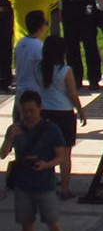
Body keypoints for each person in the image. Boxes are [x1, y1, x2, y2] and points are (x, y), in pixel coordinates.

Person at [3, 92, 73, 231]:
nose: (28, 114)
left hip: (45, 184)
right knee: (27, 224)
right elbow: (3, 154)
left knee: (53, 224)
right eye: (24, 111)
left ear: (40, 108)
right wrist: (10, 138)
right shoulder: (16, 128)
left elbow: (61, 156)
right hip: (22, 184)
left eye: (31, 110)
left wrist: (46, 165)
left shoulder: (51, 129)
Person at [32, 38, 81, 195]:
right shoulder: (65, 70)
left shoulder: (38, 68)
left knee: (47, 150)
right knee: (65, 154)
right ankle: (65, 189)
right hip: (64, 112)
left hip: (45, 112)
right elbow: (73, 94)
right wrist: (81, 111)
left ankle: (47, 184)